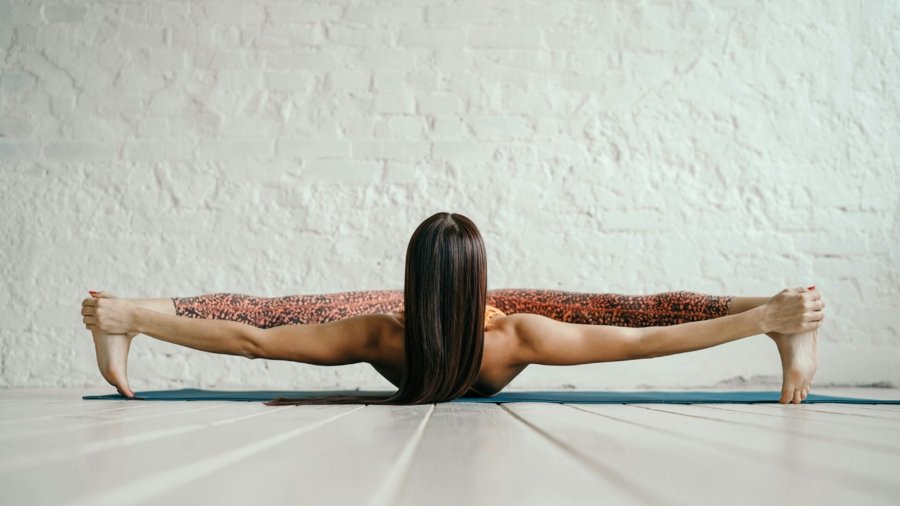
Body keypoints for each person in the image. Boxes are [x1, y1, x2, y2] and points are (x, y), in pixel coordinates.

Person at [80, 212, 824, 405]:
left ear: (411, 282)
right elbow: (632, 341)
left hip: (421, 326)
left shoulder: (382, 330)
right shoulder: (517, 333)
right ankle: (784, 312)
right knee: (624, 306)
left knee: (278, 310)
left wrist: (139, 320)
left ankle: (124, 311)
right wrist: (754, 323)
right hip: (486, 326)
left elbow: (250, 339)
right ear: (480, 283)